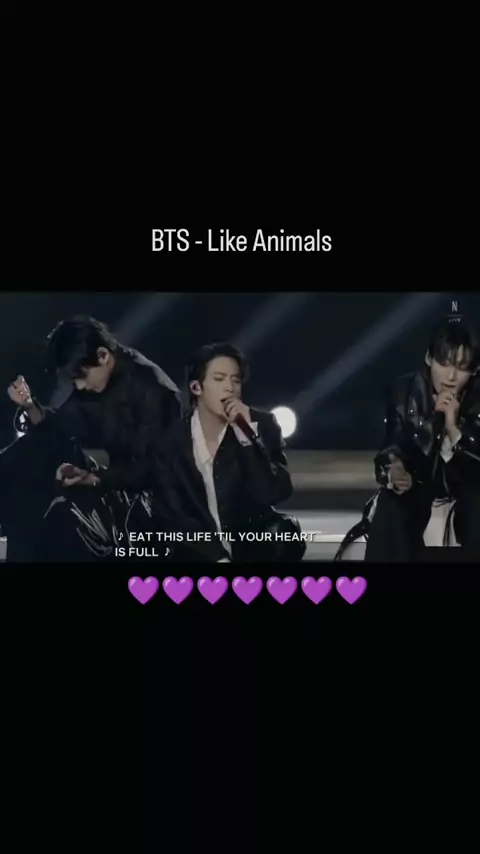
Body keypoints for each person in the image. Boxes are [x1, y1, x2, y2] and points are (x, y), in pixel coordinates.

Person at [1, 316, 182, 561]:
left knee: (59, 521)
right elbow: (62, 426)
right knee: (21, 458)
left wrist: (94, 478)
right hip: (109, 480)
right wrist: (29, 405)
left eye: (81, 376)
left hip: (148, 505)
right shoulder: (97, 380)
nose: (79, 386)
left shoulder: (155, 392)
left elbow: (151, 470)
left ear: (103, 356)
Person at [335, 315, 480, 561]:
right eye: (444, 364)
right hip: (419, 483)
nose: (451, 376)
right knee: (392, 501)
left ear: (474, 370)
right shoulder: (404, 391)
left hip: (470, 487)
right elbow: (391, 448)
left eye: (461, 368)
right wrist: (395, 470)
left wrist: (454, 429)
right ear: (429, 359)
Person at [153, 342, 306, 563]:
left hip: (248, 549)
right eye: (219, 379)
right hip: (196, 551)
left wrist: (247, 438)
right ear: (196, 387)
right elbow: (172, 512)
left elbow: (273, 492)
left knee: (283, 532)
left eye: (235, 380)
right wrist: (217, 556)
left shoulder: (260, 425)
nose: (230, 388)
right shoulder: (171, 440)